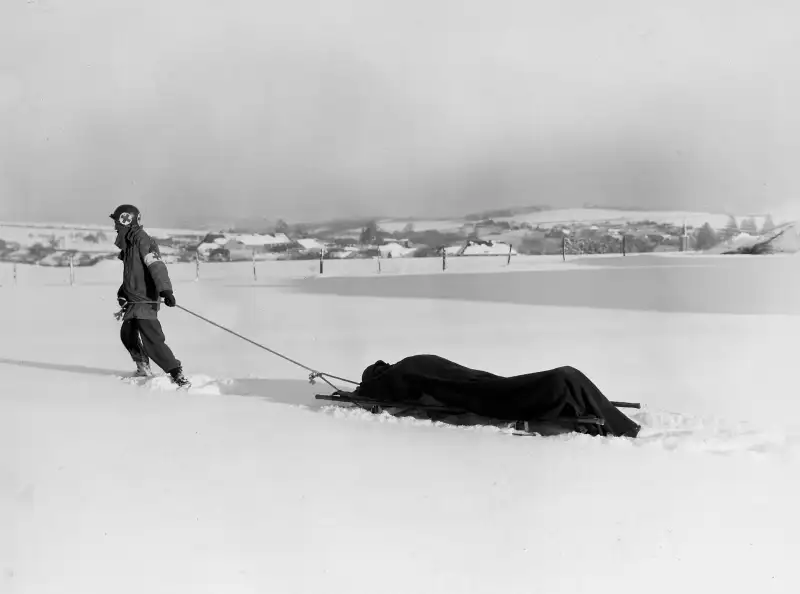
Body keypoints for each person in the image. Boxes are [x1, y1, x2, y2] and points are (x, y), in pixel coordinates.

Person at [110, 204, 190, 388]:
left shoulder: (142, 241)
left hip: (145, 301)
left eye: (117, 221)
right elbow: (133, 274)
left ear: (126, 220)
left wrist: (165, 290)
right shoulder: (130, 244)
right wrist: (124, 292)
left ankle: (176, 373)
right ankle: (143, 367)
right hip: (134, 301)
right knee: (127, 334)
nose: (115, 226)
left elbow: (156, 266)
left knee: (153, 340)